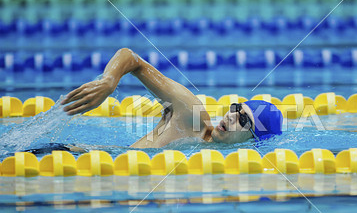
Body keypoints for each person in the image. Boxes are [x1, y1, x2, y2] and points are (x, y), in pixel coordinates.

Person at [57, 48, 282, 149]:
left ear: (252, 141)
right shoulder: (192, 115)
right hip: (71, 154)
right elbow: (131, 58)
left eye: (244, 120)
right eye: (236, 108)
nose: (232, 116)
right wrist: (108, 81)